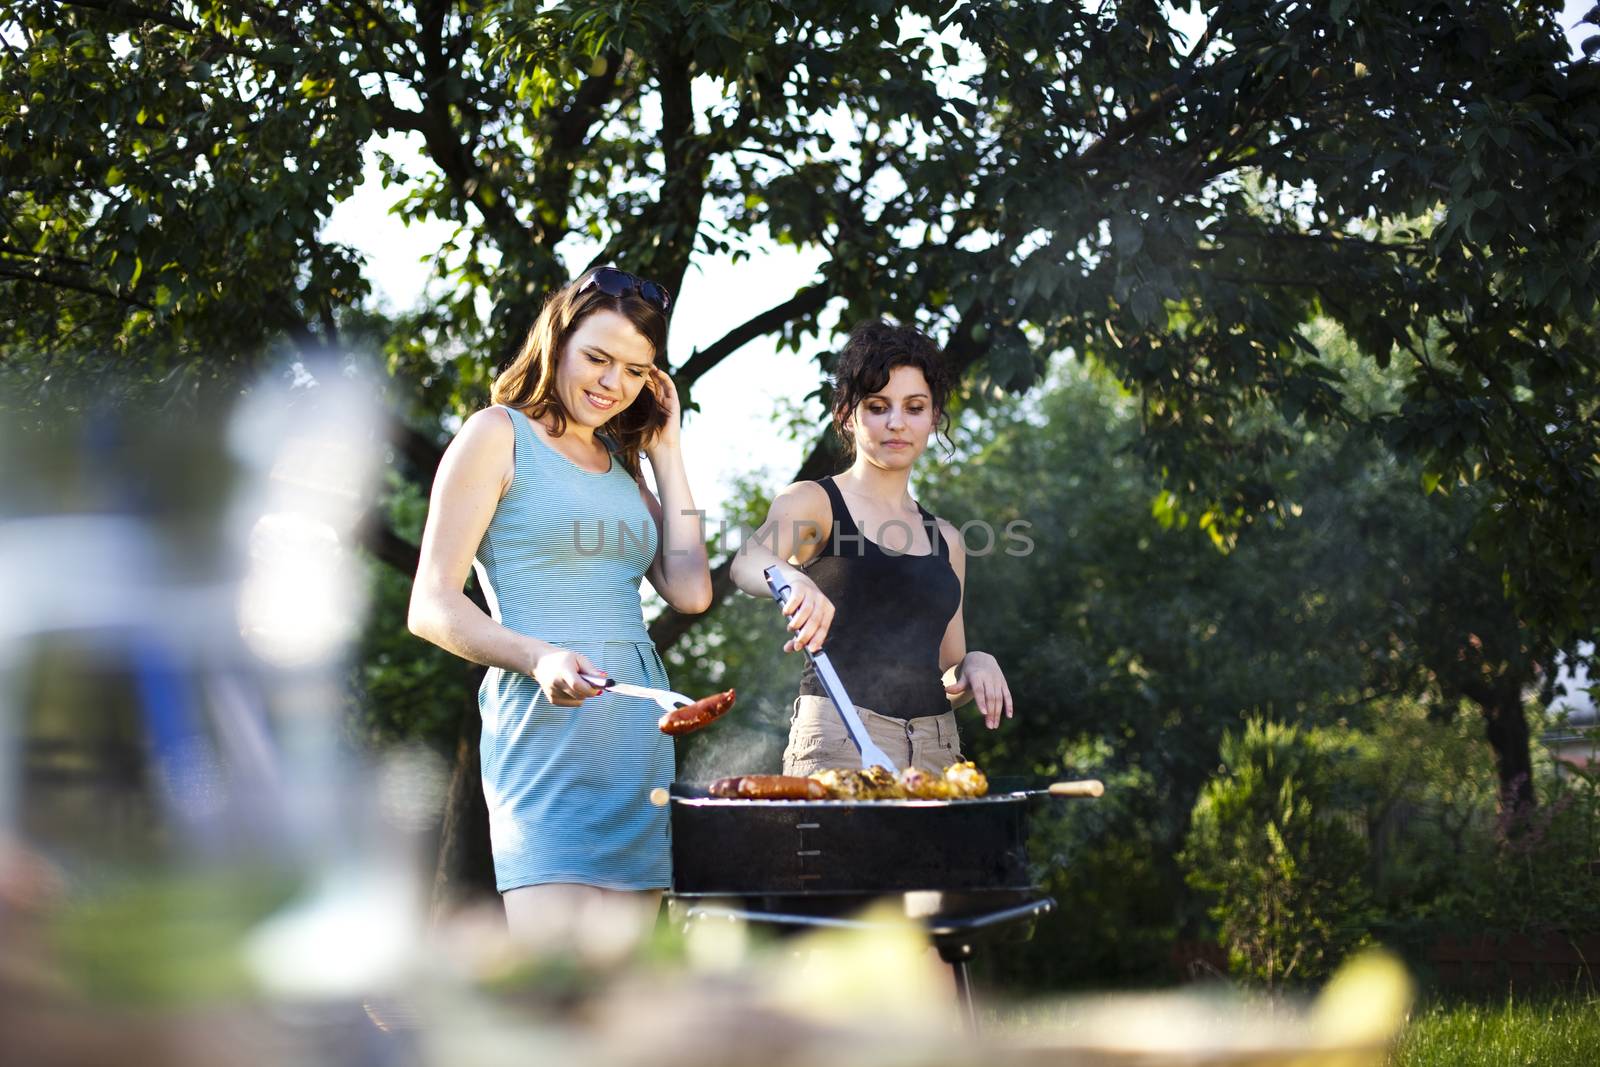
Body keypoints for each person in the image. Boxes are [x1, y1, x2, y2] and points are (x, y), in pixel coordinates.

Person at [408, 266, 711, 953]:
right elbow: (429, 602)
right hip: (546, 738)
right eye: (598, 358)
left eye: (635, 371)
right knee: (560, 998)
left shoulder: (622, 464)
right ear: (558, 341)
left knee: (623, 1009)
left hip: (637, 749)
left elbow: (691, 588)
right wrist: (538, 655)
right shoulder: (496, 434)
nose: (612, 383)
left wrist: (668, 452)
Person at [730, 319, 1013, 776]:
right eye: (878, 406)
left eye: (914, 407)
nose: (897, 422)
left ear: (934, 416)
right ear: (846, 413)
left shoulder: (948, 540)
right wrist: (791, 577)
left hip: (938, 750)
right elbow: (748, 561)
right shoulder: (815, 502)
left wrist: (976, 664)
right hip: (839, 742)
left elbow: (947, 669)